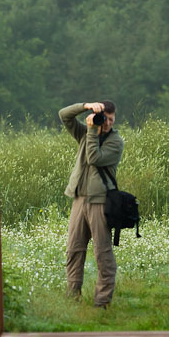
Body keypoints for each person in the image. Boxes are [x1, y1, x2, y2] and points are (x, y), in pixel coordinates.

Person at [58, 100, 124, 308]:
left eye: (111, 120)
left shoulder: (115, 142)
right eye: (105, 119)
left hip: (100, 201)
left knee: (102, 252)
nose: (108, 123)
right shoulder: (86, 133)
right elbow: (63, 115)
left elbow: (94, 157)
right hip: (79, 198)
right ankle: (72, 297)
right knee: (74, 249)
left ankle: (102, 301)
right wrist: (86, 106)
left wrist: (92, 130)